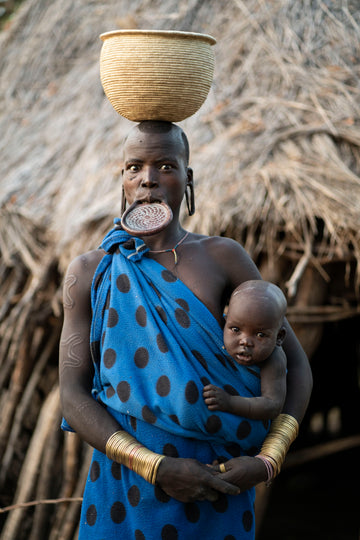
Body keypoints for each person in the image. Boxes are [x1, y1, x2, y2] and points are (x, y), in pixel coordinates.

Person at [59, 120, 312, 539]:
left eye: (165, 166)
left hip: (220, 484)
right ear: (121, 179)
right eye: (134, 167)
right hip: (126, 488)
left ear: (187, 178)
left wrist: (268, 459)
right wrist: (154, 466)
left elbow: (295, 366)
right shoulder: (90, 271)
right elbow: (72, 394)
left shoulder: (222, 257)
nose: (148, 180)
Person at [203, 280, 287, 421]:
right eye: (236, 329)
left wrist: (230, 402)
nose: (245, 341)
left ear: (279, 337)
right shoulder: (214, 338)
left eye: (260, 335)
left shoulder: (274, 360)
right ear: (224, 323)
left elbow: (272, 406)